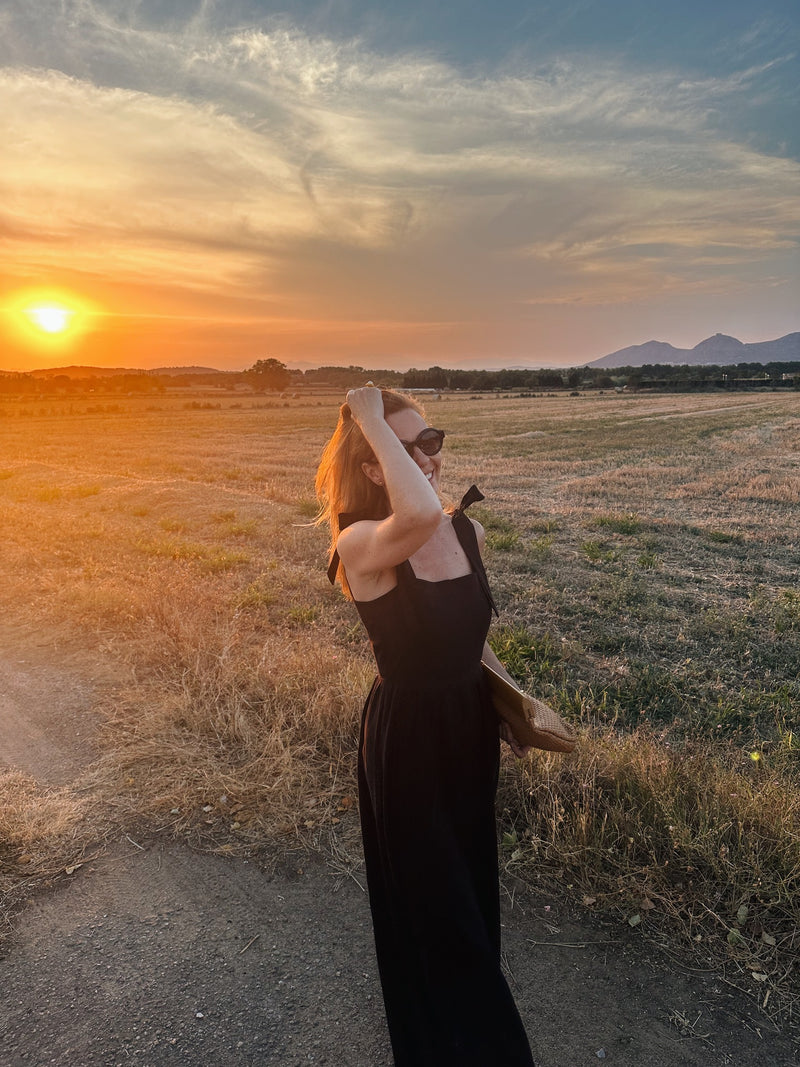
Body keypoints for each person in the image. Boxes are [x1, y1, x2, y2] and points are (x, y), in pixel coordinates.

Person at [315, 385, 535, 1066]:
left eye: (432, 441)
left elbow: (470, 634)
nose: (430, 459)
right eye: (407, 448)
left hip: (467, 729)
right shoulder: (361, 542)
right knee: (440, 917)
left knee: (469, 892)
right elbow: (414, 511)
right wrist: (367, 417)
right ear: (376, 466)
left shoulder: (464, 531)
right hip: (407, 742)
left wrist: (509, 704)